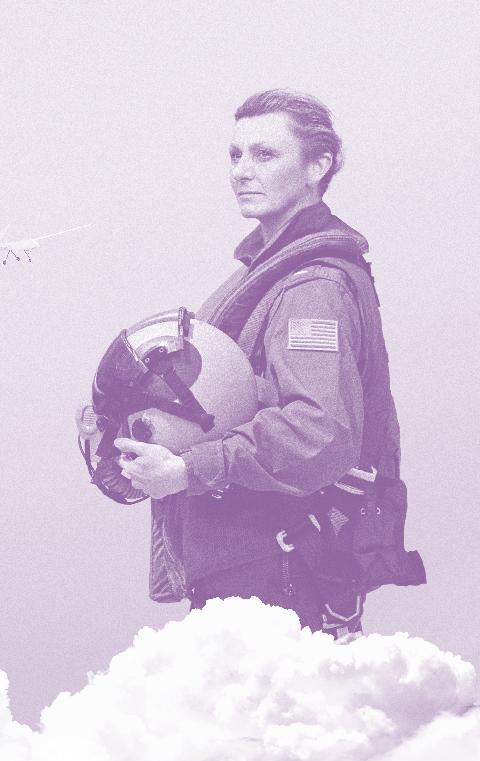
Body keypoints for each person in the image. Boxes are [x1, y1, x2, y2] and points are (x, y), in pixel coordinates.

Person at [114, 89, 404, 637]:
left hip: (278, 570)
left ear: (318, 166)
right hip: (252, 569)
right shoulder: (262, 274)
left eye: (265, 154)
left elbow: (317, 431)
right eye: (235, 154)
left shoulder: (311, 287)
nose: (242, 171)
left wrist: (186, 470)